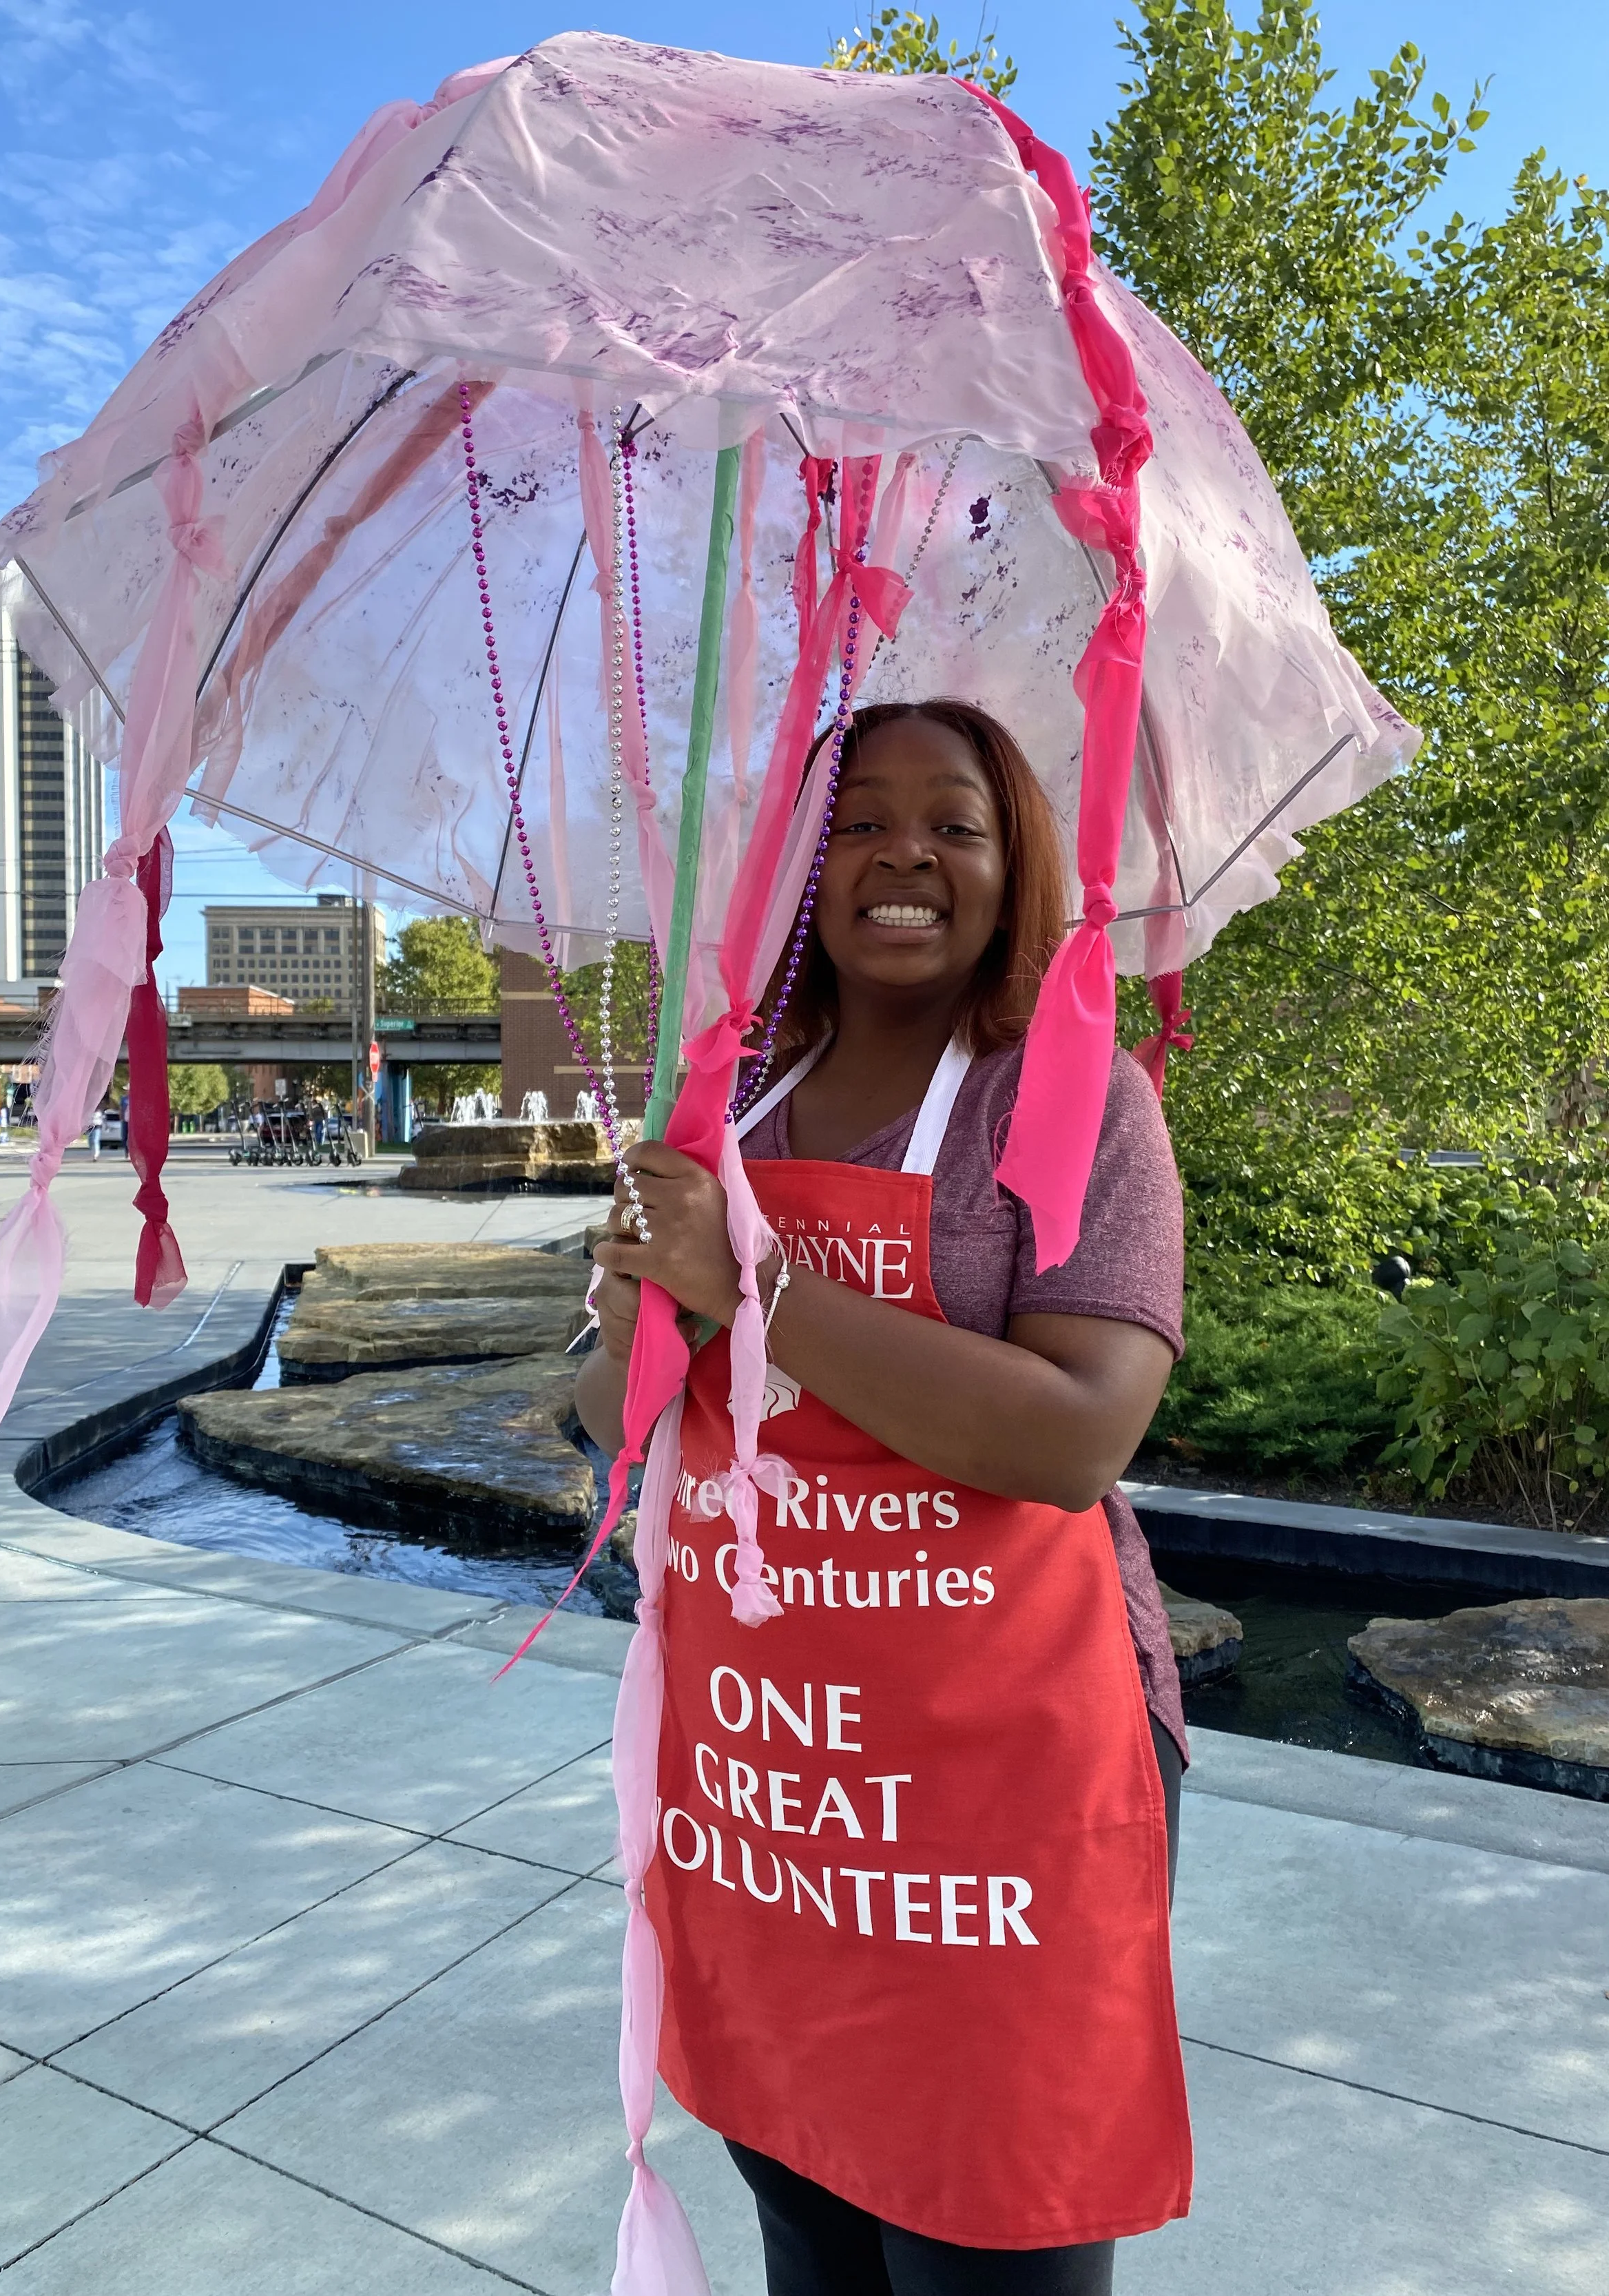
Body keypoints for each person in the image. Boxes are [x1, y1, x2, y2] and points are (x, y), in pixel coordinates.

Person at [577, 699, 1192, 2296]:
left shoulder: (1071, 1100)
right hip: (774, 1786)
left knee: (992, 2229)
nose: (903, 851)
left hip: (1002, 1790)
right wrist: (645, 1286)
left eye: (955, 822)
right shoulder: (724, 1114)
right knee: (811, 2212)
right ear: (798, 866)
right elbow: (606, 1419)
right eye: (855, 820)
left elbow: (1073, 1436)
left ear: (1013, 869)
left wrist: (748, 1281)